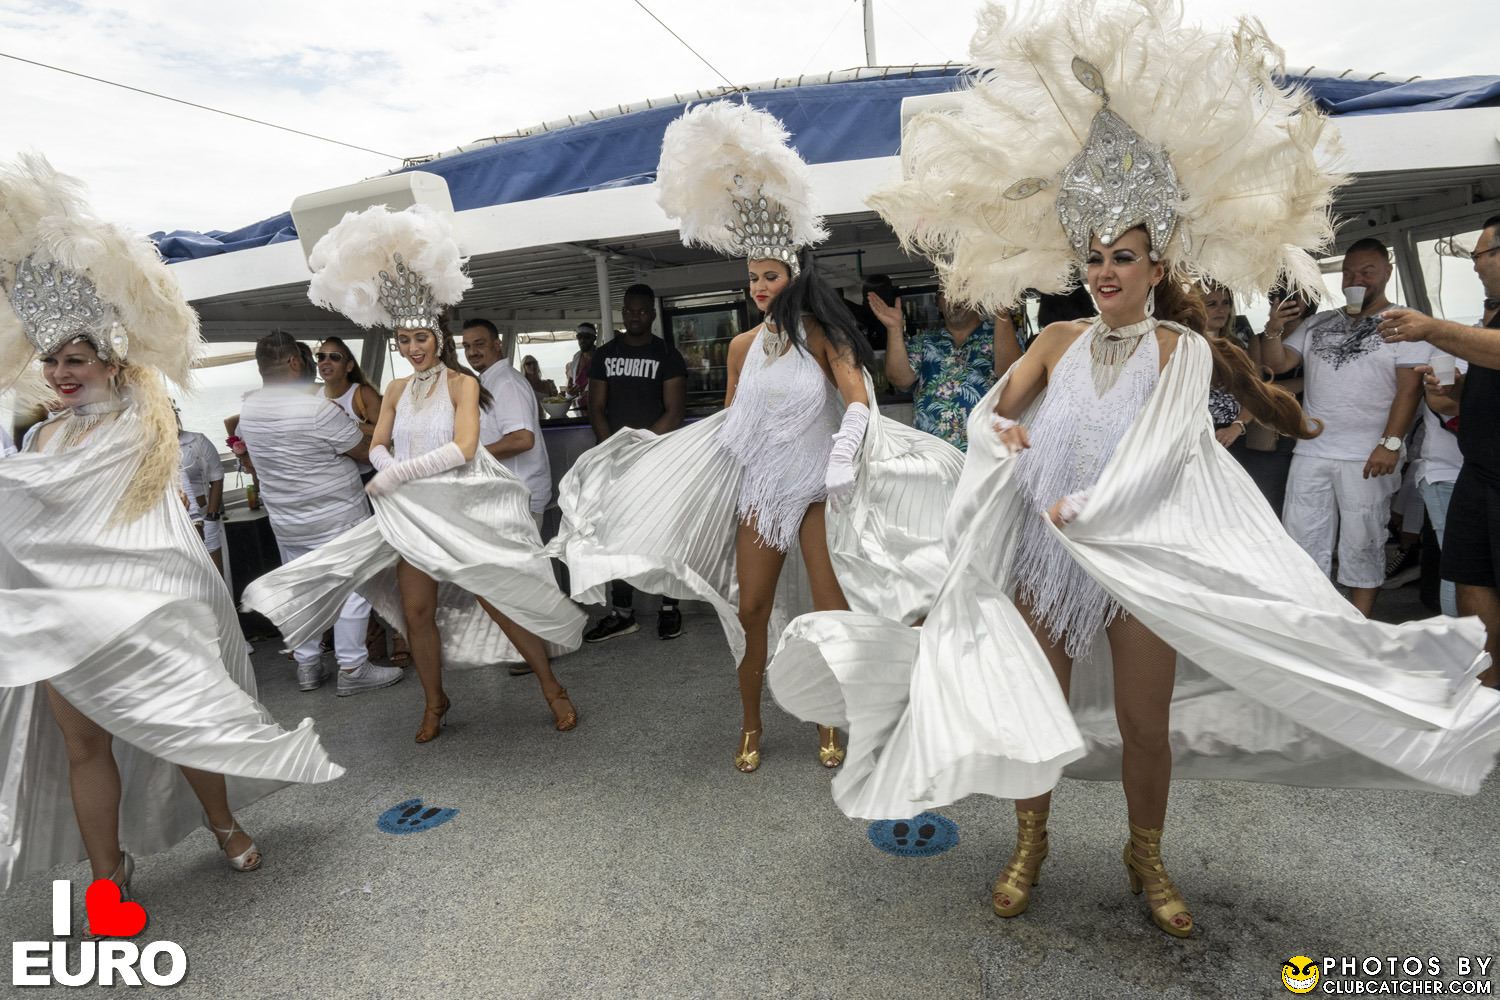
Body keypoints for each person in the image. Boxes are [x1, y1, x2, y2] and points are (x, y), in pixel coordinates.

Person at [765, 0, 1500, 940]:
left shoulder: (1181, 353)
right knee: (1032, 706)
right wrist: (1006, 439)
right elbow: (998, 406)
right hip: (1045, 549)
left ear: (1157, 266)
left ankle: (1144, 855)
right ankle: (1029, 842)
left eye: (1124, 258)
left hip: (1137, 559)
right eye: (1095, 257)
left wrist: (1100, 503)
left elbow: (1161, 458)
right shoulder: (1060, 336)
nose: (1106, 271)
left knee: (1145, 729)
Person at [552, 101, 963, 772]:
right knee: (752, 611)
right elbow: (733, 420)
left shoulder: (823, 332)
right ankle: (751, 722)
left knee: (832, 608)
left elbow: (859, 398)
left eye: (772, 276)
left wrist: (839, 455)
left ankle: (831, 720)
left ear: (795, 274)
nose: (762, 287)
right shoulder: (742, 345)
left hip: (820, 492)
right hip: (763, 493)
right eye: (753, 278)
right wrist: (677, 471)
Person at [0, 154, 342, 895]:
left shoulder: (138, 429)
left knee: (182, 720)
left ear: (111, 362)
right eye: (53, 360)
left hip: (141, 611)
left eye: (77, 359)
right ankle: (107, 874)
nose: (61, 373)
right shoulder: (39, 441)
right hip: (64, 623)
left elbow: (149, 531)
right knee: (83, 744)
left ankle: (224, 824)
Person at [243, 205, 586, 742]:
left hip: (460, 508)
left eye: (420, 338)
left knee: (498, 599)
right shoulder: (397, 390)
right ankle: (434, 702)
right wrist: (385, 468)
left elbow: (466, 446)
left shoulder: (462, 385)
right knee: (418, 612)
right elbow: (376, 443)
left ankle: (551, 688)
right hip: (410, 516)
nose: (411, 348)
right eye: (402, 340)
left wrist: (398, 473)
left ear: (438, 336)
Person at [1259, 238, 1428, 617]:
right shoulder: (1321, 322)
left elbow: (1409, 391)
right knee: (1302, 538)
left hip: (1366, 454)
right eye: (1350, 272)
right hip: (1313, 449)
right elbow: (1281, 363)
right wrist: (1273, 328)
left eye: (1367, 271)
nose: (1357, 278)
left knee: (1363, 540)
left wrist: (1391, 443)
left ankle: (1359, 624)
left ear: (1387, 272)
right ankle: (1315, 621)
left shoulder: (1403, 322)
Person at [237, 331, 405, 696]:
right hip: (336, 518)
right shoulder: (315, 409)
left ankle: (309, 667)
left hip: (287, 522)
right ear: (295, 362)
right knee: (354, 588)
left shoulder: (249, 410)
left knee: (302, 591)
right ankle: (352, 667)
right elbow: (363, 450)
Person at [1377, 213, 1500, 686]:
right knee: (1472, 577)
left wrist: (1431, 328)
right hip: (1479, 470)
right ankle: (1484, 694)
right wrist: (1458, 393)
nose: (1474, 267)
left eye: (1479, 256)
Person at [583, 283, 689, 641]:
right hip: (614, 459)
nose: (635, 317)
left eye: (642, 311)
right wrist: (611, 448)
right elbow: (595, 407)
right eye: (629, 311)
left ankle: (670, 608)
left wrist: (639, 449)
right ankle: (622, 612)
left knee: (664, 532)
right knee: (615, 535)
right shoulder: (604, 354)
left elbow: (674, 412)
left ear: (652, 314)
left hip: (658, 458)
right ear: (623, 312)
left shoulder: (667, 354)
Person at [872, 289, 1020, 450]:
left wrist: (1001, 314)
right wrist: (894, 329)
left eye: (963, 289)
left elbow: (1012, 374)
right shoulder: (924, 340)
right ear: (938, 303)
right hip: (934, 456)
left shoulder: (1000, 335)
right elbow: (900, 380)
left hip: (987, 453)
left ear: (978, 299)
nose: (954, 296)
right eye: (946, 291)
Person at [176, 405, 226, 572]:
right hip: (176, 523)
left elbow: (217, 476)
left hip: (205, 516)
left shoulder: (197, 440)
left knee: (215, 571)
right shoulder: (152, 448)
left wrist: (211, 516)